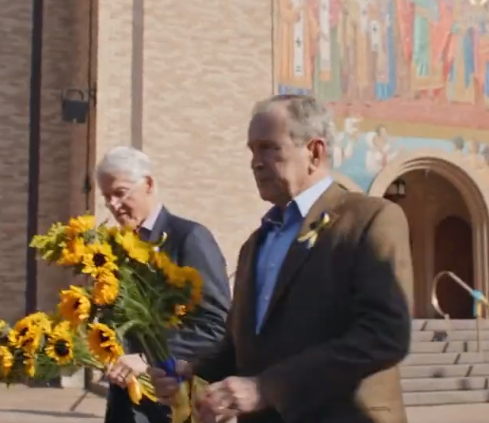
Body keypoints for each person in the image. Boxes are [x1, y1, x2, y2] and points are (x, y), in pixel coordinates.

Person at [150, 95, 412, 423]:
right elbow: (239, 347)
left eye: (268, 148)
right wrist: (192, 373)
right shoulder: (255, 244)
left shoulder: (368, 220)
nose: (255, 162)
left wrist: (268, 389)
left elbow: (385, 335)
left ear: (314, 152)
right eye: (252, 150)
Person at [95, 146, 232, 423]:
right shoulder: (116, 248)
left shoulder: (189, 238)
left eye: (120, 193)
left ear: (148, 184)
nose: (113, 205)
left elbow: (215, 326)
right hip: (125, 404)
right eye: (106, 197)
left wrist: (147, 357)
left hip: (172, 405)